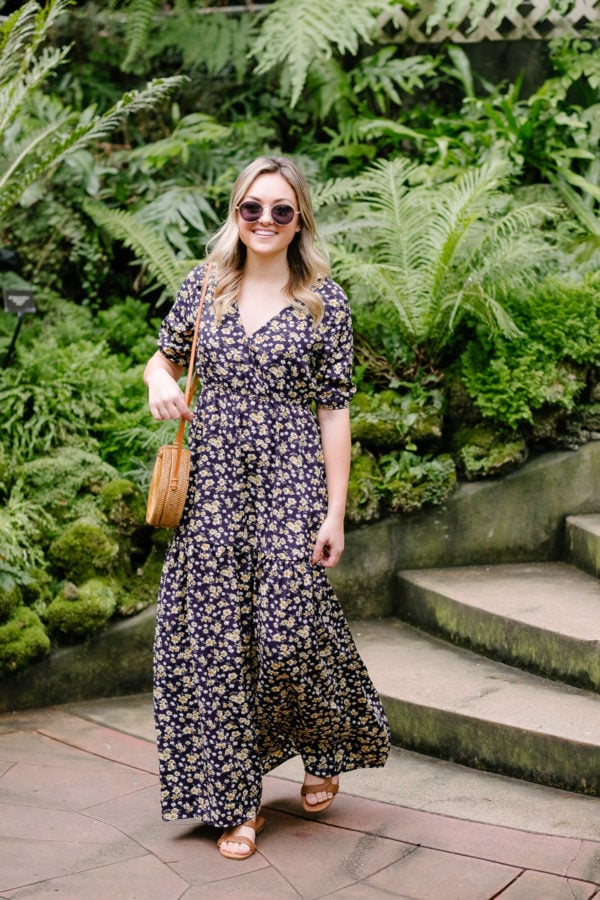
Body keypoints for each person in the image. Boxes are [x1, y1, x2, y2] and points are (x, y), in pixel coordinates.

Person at [143, 155, 390, 861]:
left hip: (289, 483)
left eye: (281, 210)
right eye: (253, 208)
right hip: (214, 488)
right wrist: (157, 382)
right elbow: (159, 357)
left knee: (287, 636)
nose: (265, 222)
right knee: (218, 647)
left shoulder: (323, 301)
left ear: (300, 219)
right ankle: (238, 802)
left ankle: (326, 739)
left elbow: (335, 411)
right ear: (235, 212)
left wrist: (335, 511)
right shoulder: (205, 287)